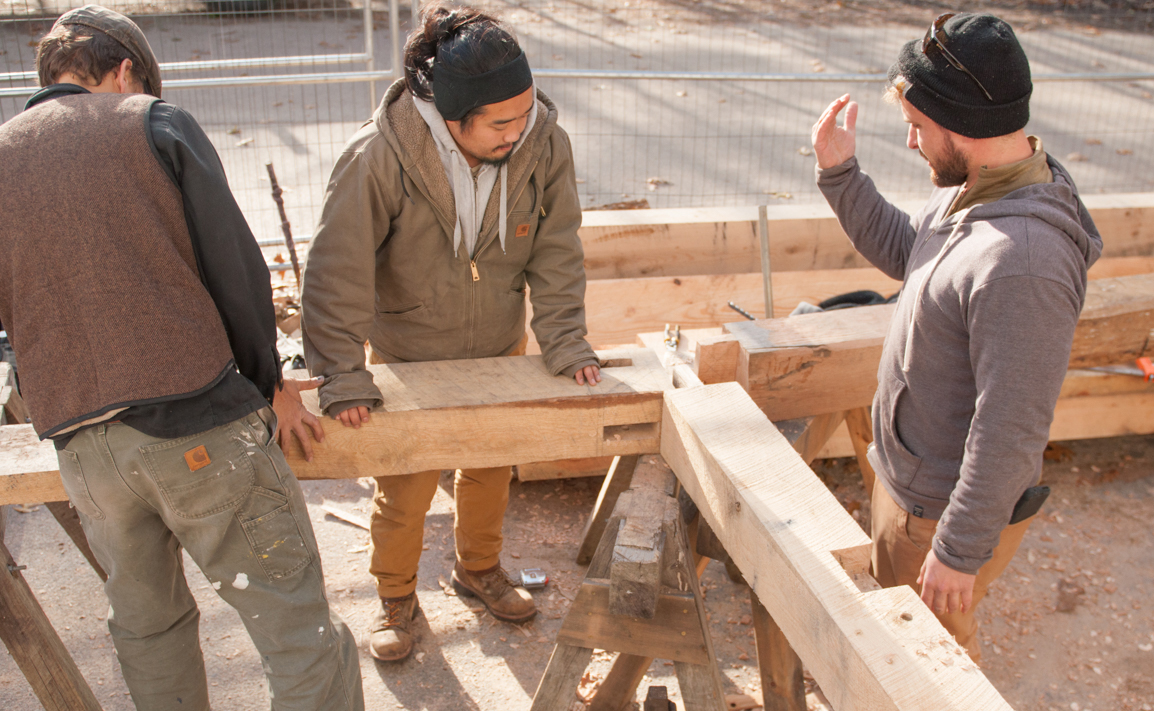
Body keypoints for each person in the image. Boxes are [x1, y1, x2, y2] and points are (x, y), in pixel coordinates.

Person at [0, 7, 363, 709]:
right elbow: (235, 271)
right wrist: (269, 382)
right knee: (297, 627)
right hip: (197, 423)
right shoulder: (150, 123)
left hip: (84, 449)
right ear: (126, 71)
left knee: (149, 630)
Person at [301, 2, 600, 662]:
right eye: (501, 122)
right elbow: (337, 268)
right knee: (405, 486)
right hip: (410, 353)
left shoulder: (543, 141)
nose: (518, 131)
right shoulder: (378, 156)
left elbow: (557, 246)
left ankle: (479, 568)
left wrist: (565, 338)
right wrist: (343, 372)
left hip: (498, 342)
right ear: (451, 116)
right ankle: (396, 597)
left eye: (525, 113)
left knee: (492, 465)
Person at [809, 12, 1101, 663]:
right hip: (918, 489)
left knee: (927, 661)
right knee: (898, 644)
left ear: (963, 125)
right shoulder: (979, 190)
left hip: (940, 514)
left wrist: (958, 550)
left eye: (918, 127)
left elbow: (1012, 423)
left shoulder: (1023, 259)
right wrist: (841, 175)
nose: (912, 143)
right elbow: (913, 251)